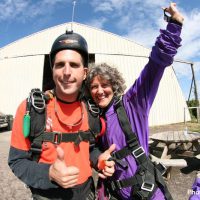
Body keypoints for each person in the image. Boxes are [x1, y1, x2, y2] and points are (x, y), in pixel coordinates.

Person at [86, 2, 184, 200]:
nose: (99, 91)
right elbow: (90, 149)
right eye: (94, 87)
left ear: (114, 86)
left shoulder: (132, 104)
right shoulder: (96, 118)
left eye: (104, 85)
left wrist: (174, 24)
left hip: (146, 194)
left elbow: (155, 66)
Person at [8, 31, 115, 200]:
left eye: (74, 64)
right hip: (47, 195)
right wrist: (49, 173)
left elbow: (90, 148)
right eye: (60, 65)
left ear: (85, 73)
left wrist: (98, 160)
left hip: (87, 193)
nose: (66, 71)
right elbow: (17, 161)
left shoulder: (92, 110)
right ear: (53, 70)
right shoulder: (31, 109)